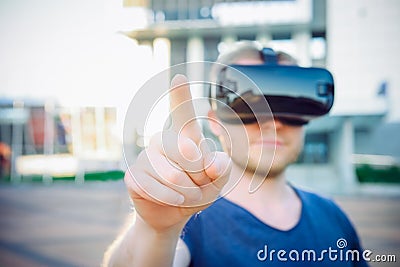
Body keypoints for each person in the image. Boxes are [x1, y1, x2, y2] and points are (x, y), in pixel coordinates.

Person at [103, 41, 368, 267]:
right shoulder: (188, 218)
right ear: (216, 123)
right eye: (249, 107)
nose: (273, 123)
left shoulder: (333, 217)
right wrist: (155, 232)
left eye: (289, 107)